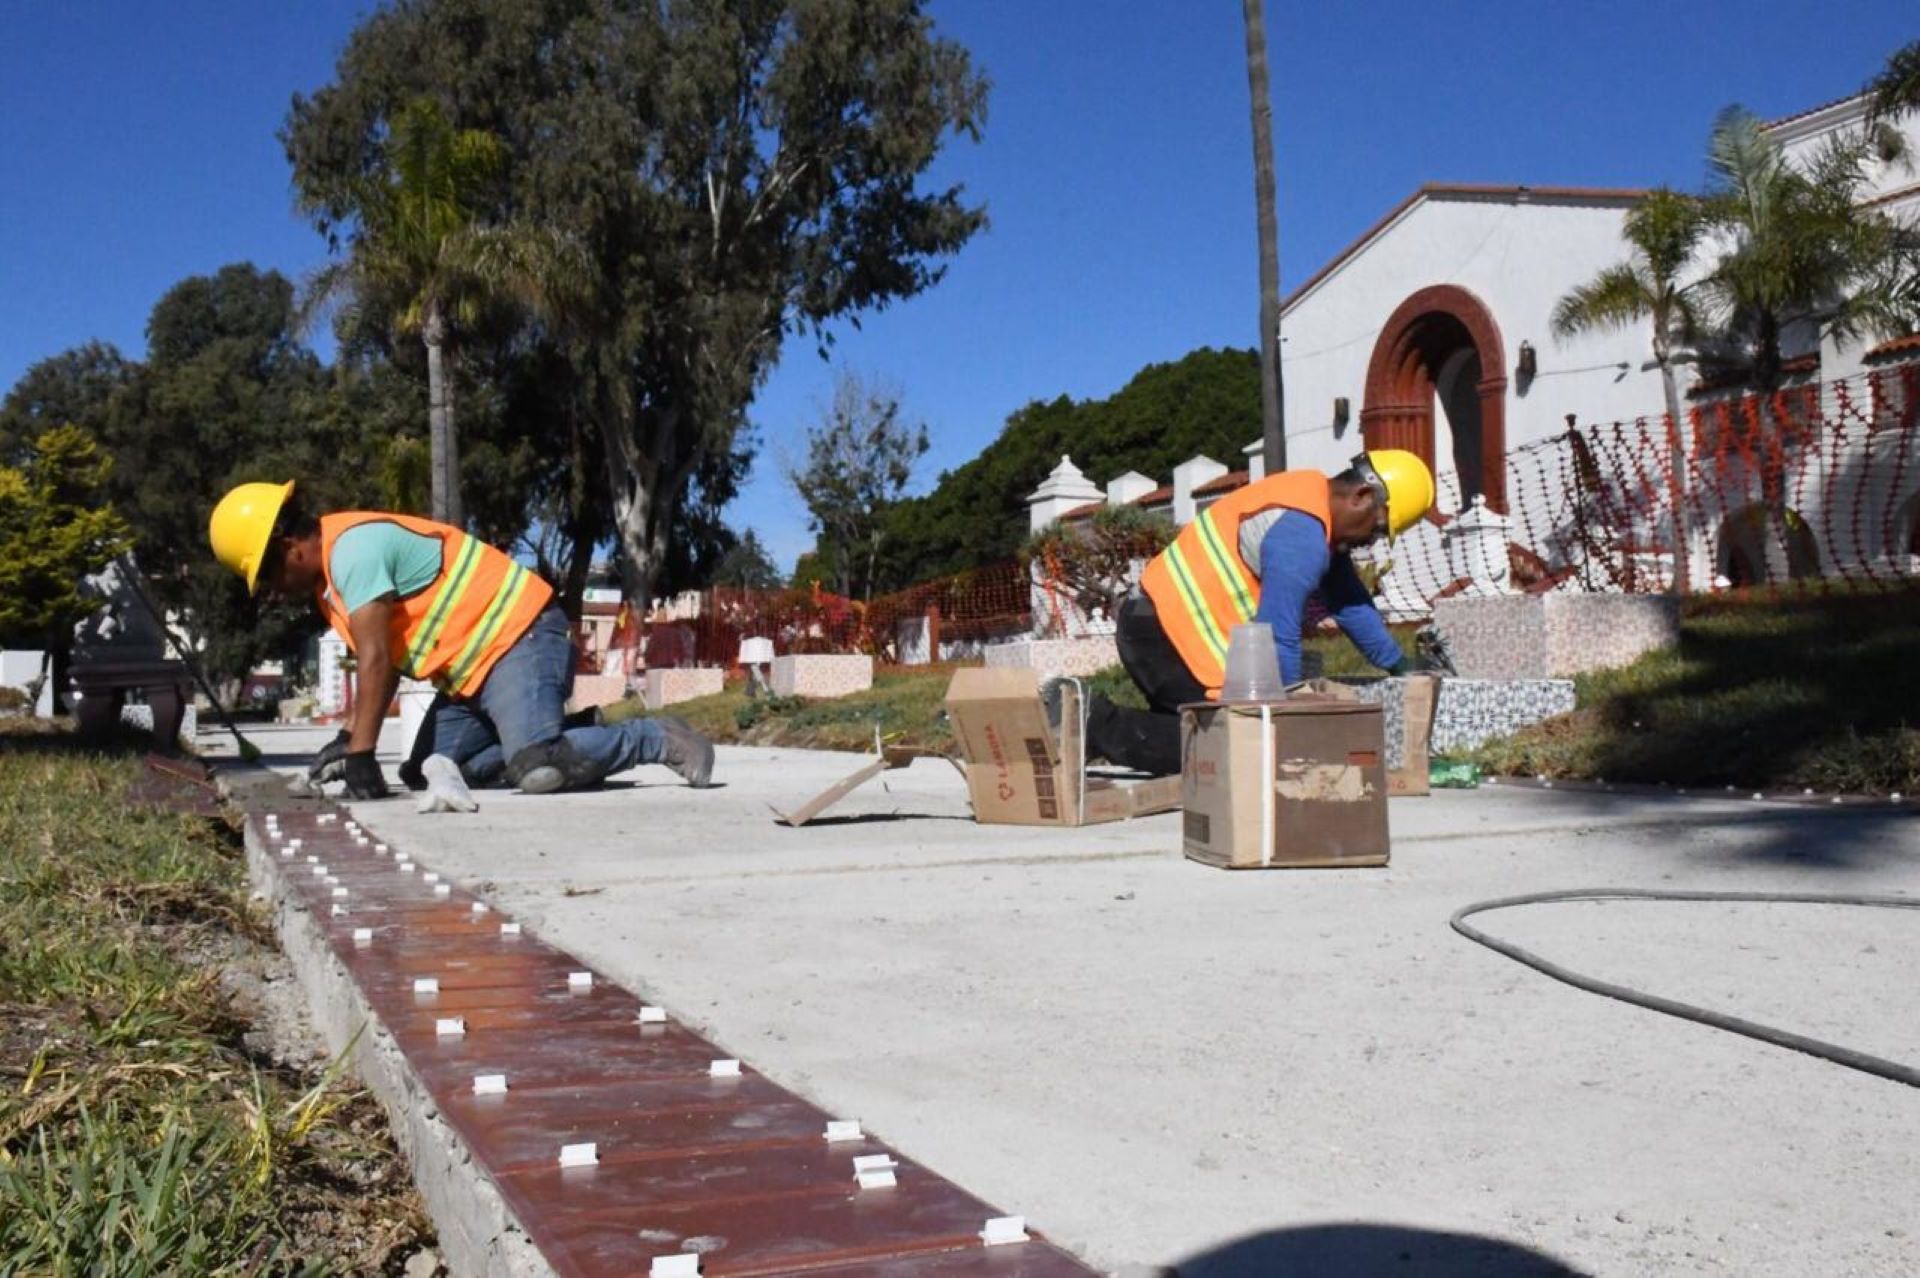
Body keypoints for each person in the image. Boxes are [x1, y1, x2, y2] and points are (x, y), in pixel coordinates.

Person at [207, 481, 714, 799]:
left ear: (287, 546)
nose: (274, 589)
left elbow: (378, 660)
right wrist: (348, 740)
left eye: (267, 574)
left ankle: (656, 738)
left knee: (534, 767)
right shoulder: (331, 583)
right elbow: (376, 664)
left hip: (522, 638)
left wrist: (362, 752)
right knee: (429, 770)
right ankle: (571, 730)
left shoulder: (352, 552)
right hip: (472, 679)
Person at [1080, 449, 1436, 775]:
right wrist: (1289, 720)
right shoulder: (1303, 535)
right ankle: (1092, 724)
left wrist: (1397, 664)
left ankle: (1121, 730)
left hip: (1154, 625)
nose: (1368, 543)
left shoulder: (1310, 498)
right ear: (1362, 497)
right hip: (1165, 635)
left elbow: (1348, 601)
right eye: (1376, 530)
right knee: (1232, 749)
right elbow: (1277, 637)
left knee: (1190, 737)